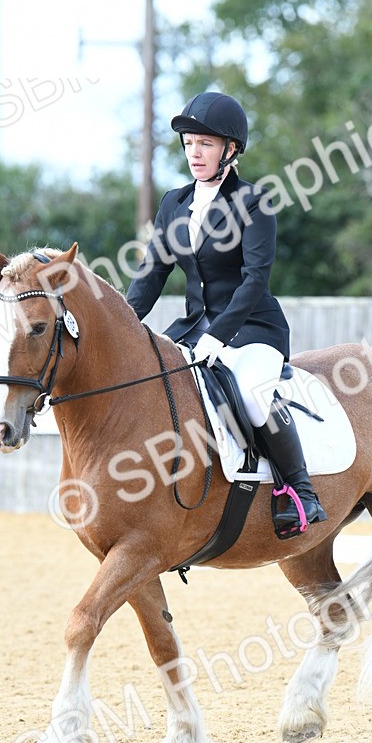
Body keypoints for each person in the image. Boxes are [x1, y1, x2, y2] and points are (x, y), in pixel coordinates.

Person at [126, 91, 326, 538]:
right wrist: (122, 325)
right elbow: (152, 273)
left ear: (230, 150)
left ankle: (300, 491)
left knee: (254, 394)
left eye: (207, 144)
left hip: (252, 328)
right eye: (190, 143)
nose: (195, 152)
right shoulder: (174, 204)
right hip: (193, 329)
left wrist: (219, 335)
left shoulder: (253, 202)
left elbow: (255, 280)